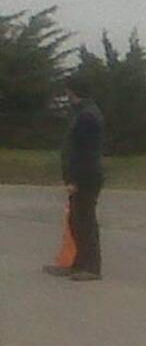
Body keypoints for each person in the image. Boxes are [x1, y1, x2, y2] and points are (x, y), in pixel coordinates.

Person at [43, 78, 105, 281]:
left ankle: (92, 267)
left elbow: (84, 152)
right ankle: (76, 263)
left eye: (68, 91)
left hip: (85, 175)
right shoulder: (82, 113)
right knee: (76, 221)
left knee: (85, 220)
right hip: (82, 173)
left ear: (73, 91)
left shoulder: (87, 116)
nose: (66, 96)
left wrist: (74, 179)